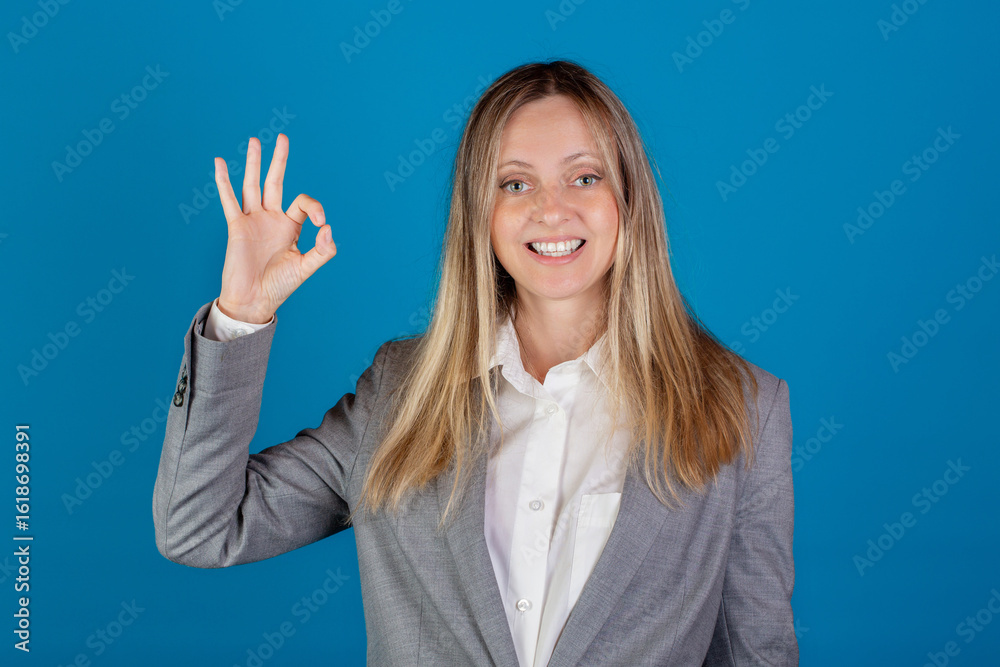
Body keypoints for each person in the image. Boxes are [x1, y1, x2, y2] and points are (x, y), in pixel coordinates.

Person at [153, 59, 798, 666]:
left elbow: (755, 653)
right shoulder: (399, 395)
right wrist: (242, 312)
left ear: (629, 198)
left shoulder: (743, 409)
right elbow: (201, 526)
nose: (552, 208)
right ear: (479, 216)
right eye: (515, 183)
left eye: (585, 176)